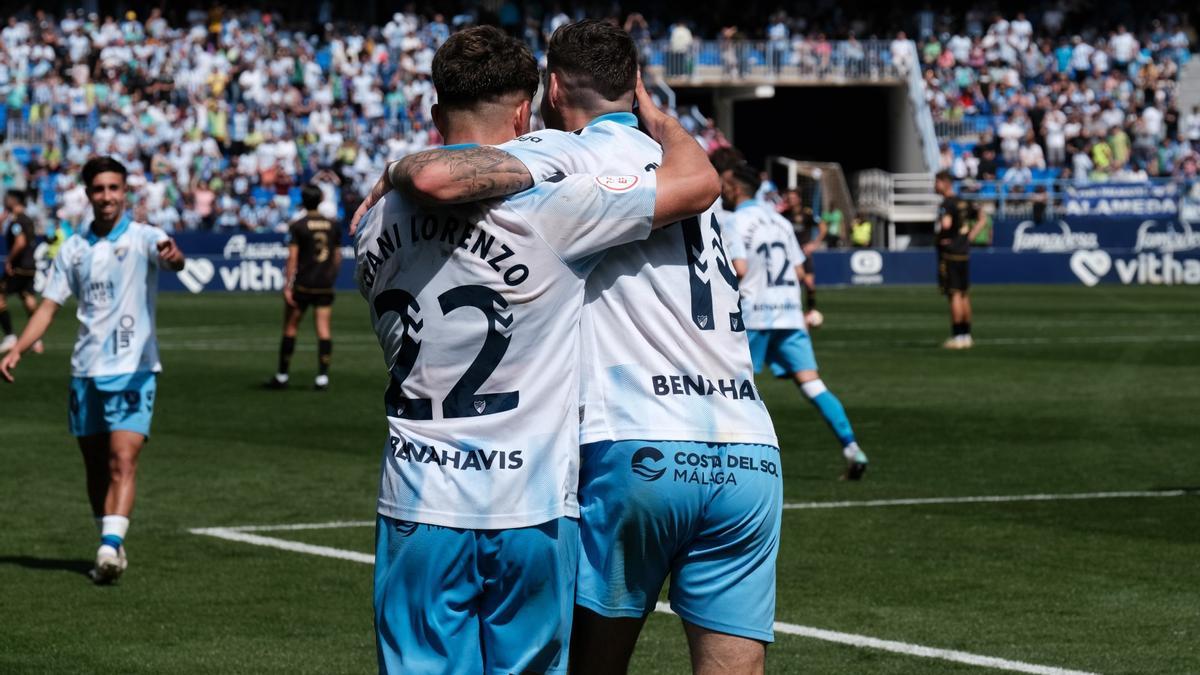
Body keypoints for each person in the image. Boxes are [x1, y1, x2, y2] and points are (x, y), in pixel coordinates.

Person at [366, 19, 783, 675]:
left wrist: (398, 167)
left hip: (631, 440)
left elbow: (445, 178)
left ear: (552, 90)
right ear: (637, 86)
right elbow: (698, 181)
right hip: (748, 443)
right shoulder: (680, 163)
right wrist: (664, 120)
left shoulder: (556, 156)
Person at [0, 156, 185, 584]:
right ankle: (109, 538)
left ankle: (109, 547)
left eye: (114, 188)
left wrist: (174, 257)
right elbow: (48, 308)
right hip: (86, 370)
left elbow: (173, 259)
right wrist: (18, 350)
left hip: (136, 369)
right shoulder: (74, 249)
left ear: (125, 193)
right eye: (98, 189)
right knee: (95, 467)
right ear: (88, 194)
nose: (106, 197)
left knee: (124, 459)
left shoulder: (145, 236)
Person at [723, 164, 868, 481]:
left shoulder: (733, 221)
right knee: (814, 384)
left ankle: (736, 466)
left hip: (754, 314)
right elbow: (802, 272)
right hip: (789, 311)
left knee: (730, 389)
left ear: (735, 189)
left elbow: (741, 269)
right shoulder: (782, 223)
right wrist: (810, 306)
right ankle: (852, 448)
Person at [264, 185, 341, 391]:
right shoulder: (332, 225)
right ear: (321, 200)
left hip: (304, 284)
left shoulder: (298, 225)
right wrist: (331, 276)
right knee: (323, 330)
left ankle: (282, 375)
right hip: (324, 284)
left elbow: (292, 258)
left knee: (290, 327)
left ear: (303, 201)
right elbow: (337, 256)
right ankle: (322, 378)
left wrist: (287, 285)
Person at [934, 170, 985, 349]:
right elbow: (983, 218)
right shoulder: (964, 201)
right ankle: (966, 336)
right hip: (963, 252)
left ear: (943, 183)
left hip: (950, 253)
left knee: (954, 293)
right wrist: (969, 237)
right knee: (963, 293)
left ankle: (957, 336)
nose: (935, 186)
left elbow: (946, 225)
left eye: (936, 182)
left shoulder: (947, 203)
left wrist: (941, 236)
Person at [1, 190, 43, 354]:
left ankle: (10, 336)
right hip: (30, 266)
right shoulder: (27, 219)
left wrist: (9, 260)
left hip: (19, 267)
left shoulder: (18, 221)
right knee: (28, 299)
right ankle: (36, 339)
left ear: (13, 201)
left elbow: (20, 242)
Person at [781, 189, 826, 328]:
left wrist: (814, 244)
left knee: (809, 285)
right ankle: (791, 312)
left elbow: (823, 227)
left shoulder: (807, 214)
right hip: (788, 256)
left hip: (803, 255)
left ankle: (811, 312)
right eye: (789, 198)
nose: (791, 200)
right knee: (792, 286)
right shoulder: (783, 215)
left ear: (799, 199)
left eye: (793, 197)